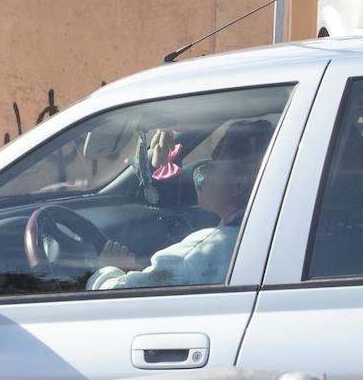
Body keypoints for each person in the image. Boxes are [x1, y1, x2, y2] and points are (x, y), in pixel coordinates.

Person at [87, 120, 271, 290]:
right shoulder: (265, 236)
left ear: (238, 185)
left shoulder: (201, 253)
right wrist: (139, 271)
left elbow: (118, 297)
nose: (203, 171)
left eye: (214, 165)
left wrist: (106, 269)